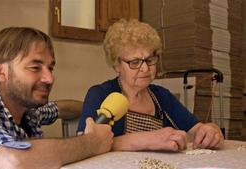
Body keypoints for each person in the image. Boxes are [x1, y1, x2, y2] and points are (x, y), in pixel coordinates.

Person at [0, 27, 113, 169]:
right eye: (35, 67)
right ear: (1, 71)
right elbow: (12, 161)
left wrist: (90, 108)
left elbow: (61, 108)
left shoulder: (29, 112)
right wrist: (92, 142)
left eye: (50, 68)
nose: (49, 78)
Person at [77, 19, 224, 152]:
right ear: (116, 65)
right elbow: (85, 144)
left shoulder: (162, 96)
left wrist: (210, 130)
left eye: (150, 60)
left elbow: (194, 129)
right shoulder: (99, 94)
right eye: (135, 62)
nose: (145, 69)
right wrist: (145, 140)